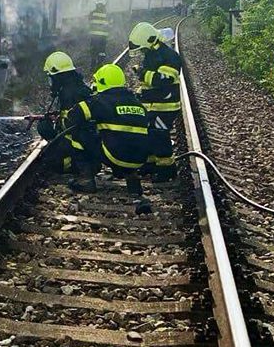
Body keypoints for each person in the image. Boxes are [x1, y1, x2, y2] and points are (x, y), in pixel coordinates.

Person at [79, 63, 156, 215]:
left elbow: (72, 117)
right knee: (124, 138)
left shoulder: (99, 101)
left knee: (83, 134)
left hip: (115, 156)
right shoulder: (138, 104)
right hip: (139, 159)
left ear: (102, 82)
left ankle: (86, 180)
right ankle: (133, 183)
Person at [35, 50, 98, 192]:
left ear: (57, 76)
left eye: (51, 77)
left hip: (83, 147)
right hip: (92, 149)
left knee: (50, 159)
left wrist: (51, 129)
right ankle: (83, 170)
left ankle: (84, 178)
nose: (50, 81)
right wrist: (57, 116)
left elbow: (73, 124)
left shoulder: (70, 94)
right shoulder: (76, 88)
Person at [128, 21, 182, 132]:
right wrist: (138, 94)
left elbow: (164, 79)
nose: (142, 51)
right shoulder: (152, 55)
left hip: (165, 108)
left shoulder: (169, 56)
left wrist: (142, 73)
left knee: (159, 138)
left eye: (143, 48)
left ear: (150, 41)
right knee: (151, 137)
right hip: (155, 106)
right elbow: (148, 84)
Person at [87, 0, 109, 69]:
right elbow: (109, 24)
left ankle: (92, 66)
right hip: (103, 36)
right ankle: (99, 65)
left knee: (93, 50)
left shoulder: (92, 13)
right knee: (101, 51)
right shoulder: (107, 14)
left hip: (94, 36)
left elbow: (89, 22)